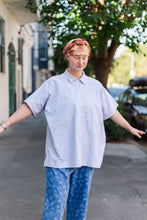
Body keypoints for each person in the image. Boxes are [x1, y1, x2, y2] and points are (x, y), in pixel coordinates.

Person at [0, 38, 145, 220]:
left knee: (78, 209)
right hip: (60, 156)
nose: (81, 61)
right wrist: (4, 125)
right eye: (76, 56)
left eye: (84, 57)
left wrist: (129, 127)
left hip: (86, 156)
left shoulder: (95, 87)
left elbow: (110, 111)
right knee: (54, 208)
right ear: (67, 55)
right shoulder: (54, 84)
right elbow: (30, 106)